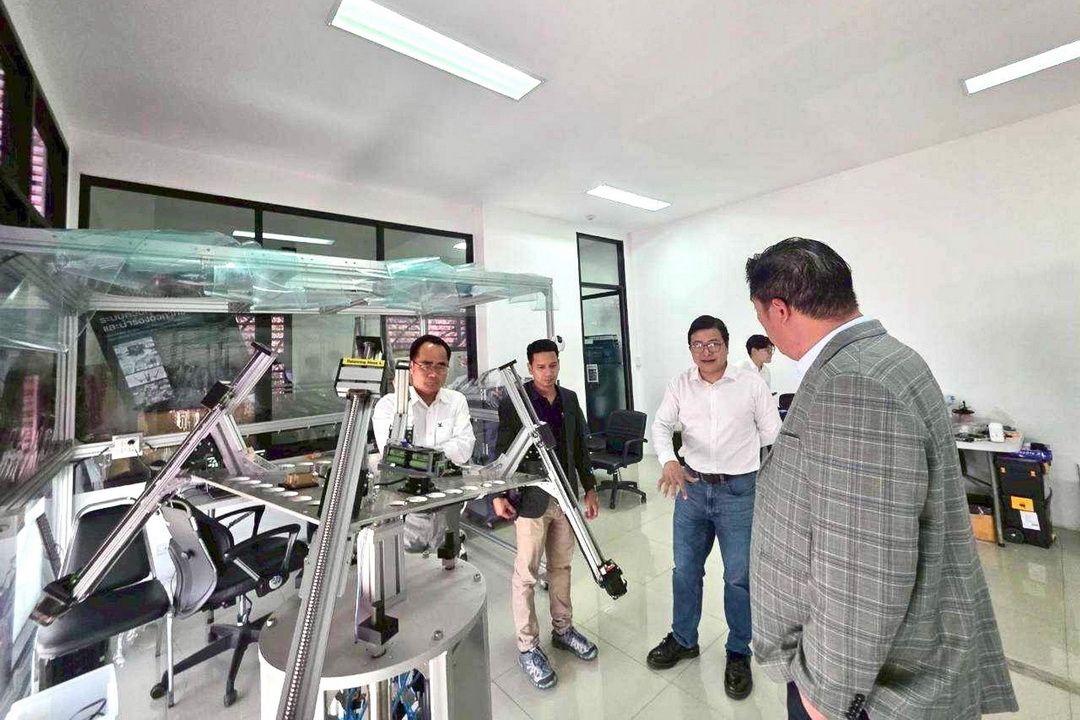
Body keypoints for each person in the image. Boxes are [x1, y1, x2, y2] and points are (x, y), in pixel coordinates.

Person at [745, 238, 1017, 720]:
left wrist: (827, 693)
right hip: (884, 659)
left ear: (779, 310)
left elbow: (861, 566)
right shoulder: (889, 358)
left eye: (761, 315)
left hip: (870, 687)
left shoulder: (852, 384)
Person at [647, 315, 781, 701]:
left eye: (713, 344)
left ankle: (738, 651)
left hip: (739, 492)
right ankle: (684, 638)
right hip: (692, 488)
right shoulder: (680, 384)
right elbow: (661, 426)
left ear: (726, 345)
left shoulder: (750, 385)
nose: (706, 351)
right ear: (690, 349)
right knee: (685, 570)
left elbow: (773, 435)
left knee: (738, 576)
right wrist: (668, 460)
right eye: (698, 345)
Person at [492, 338, 601, 690]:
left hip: (565, 498)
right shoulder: (516, 403)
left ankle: (563, 630)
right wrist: (498, 494)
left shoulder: (569, 398)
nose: (548, 372)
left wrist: (589, 487)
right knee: (526, 573)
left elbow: (579, 447)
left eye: (553, 365)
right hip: (532, 501)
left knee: (561, 567)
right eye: (541, 367)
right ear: (529, 368)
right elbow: (502, 452)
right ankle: (527, 646)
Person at [372, 334, 475, 552]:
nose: (433, 373)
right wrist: (439, 456)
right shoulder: (390, 405)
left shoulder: (456, 401)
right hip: (404, 505)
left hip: (447, 502)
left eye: (441, 366)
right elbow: (392, 455)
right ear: (411, 366)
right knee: (406, 562)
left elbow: (465, 448)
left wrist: (417, 456)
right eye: (426, 365)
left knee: (448, 559)